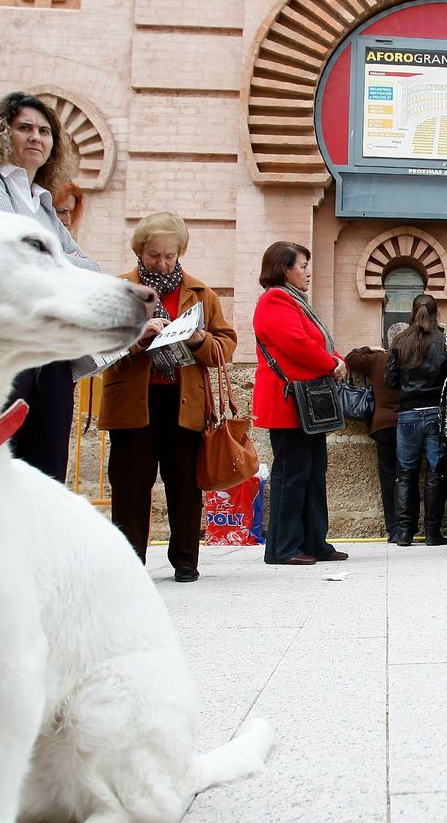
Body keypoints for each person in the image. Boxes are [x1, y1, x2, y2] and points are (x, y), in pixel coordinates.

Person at [0, 92, 99, 481]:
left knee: (46, 472)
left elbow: (92, 270)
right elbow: (5, 252)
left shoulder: (43, 202)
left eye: (45, 131)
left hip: (48, 352)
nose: (36, 137)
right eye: (25, 128)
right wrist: (58, 264)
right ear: (3, 132)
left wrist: (47, 260)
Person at [98, 214, 236, 582]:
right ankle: (129, 564)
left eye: (169, 256)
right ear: (140, 252)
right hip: (133, 403)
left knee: (185, 485)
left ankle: (186, 561)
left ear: (180, 254)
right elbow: (99, 342)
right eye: (154, 255)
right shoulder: (119, 289)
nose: (161, 263)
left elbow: (227, 344)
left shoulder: (202, 293)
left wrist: (198, 339)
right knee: (129, 487)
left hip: (184, 401)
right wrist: (138, 337)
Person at [252, 240, 349, 566]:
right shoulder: (275, 299)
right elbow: (297, 343)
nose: (307, 272)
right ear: (284, 269)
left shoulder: (294, 301)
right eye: (302, 266)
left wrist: (336, 359)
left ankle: (313, 541)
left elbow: (315, 340)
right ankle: (283, 546)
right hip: (288, 402)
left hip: (305, 402)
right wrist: (329, 363)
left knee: (312, 472)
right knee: (292, 474)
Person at [386, 294, 447, 546]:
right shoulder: (445, 340)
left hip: (407, 414)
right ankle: (432, 532)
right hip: (437, 412)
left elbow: (390, 379)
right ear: (436, 314)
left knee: (405, 473)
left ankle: (404, 532)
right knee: (436, 473)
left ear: (412, 312)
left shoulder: (400, 341)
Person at [345, 324, 404, 540]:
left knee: (388, 477)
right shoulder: (412, 358)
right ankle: (408, 526)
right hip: (407, 424)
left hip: (382, 425)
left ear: (389, 340)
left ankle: (394, 529)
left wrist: (369, 348)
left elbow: (350, 358)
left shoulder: (378, 359)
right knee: (407, 475)